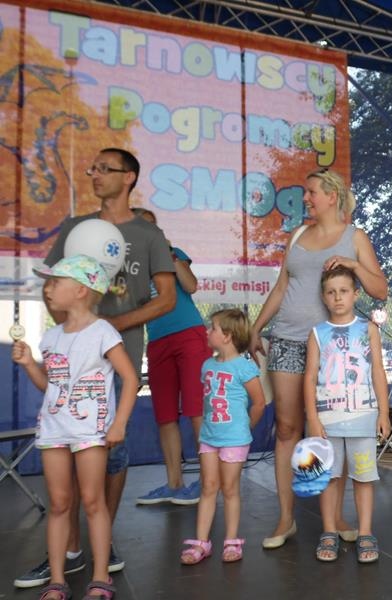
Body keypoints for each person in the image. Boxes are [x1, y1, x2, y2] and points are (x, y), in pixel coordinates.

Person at [15, 148, 176, 589]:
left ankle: (103, 543)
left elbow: (166, 298)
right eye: (93, 167)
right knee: (64, 476)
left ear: (129, 178)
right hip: (72, 359)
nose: (95, 174)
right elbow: (54, 285)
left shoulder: (148, 234)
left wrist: (111, 326)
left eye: (105, 168)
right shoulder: (74, 227)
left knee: (111, 456)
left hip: (119, 354)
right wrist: (69, 330)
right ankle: (67, 552)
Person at [248, 168, 387, 549]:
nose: (305, 198)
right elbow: (282, 287)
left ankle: (336, 516)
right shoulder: (296, 235)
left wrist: (354, 265)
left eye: (311, 192)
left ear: (332, 196)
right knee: (287, 428)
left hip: (332, 348)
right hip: (287, 340)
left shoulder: (354, 236)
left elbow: (380, 289)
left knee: (328, 432)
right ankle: (285, 518)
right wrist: (257, 327)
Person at [12, 255, 138, 600]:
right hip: (54, 430)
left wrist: (119, 423)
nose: (48, 289)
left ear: (81, 290)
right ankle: (57, 580)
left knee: (93, 501)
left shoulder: (103, 332)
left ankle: (100, 577)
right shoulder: (51, 337)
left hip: (90, 433)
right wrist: (29, 364)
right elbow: (50, 386)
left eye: (55, 282)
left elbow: (130, 378)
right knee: (58, 504)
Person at [304, 266, 391, 563]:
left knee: (363, 478)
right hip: (326, 422)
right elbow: (309, 377)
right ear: (323, 297)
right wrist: (313, 418)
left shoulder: (368, 329)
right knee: (328, 478)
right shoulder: (317, 333)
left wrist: (383, 412)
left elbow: (377, 371)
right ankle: (329, 531)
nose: (337, 297)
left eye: (343, 291)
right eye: (331, 292)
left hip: (363, 419)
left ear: (355, 294)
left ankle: (365, 532)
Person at [133, 208, 211, 506]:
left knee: (196, 409)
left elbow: (191, 286)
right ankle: (174, 484)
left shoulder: (174, 253)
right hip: (157, 341)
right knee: (165, 414)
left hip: (189, 335)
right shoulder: (132, 268)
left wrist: (169, 255)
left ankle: (208, 482)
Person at [180, 309, 267, 565]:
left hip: (234, 439)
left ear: (227, 336)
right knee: (208, 486)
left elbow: (259, 403)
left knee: (229, 488)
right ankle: (201, 542)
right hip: (209, 437)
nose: (207, 332)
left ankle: (231, 540)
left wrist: (245, 429)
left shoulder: (244, 367)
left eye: (213, 328)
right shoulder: (207, 365)